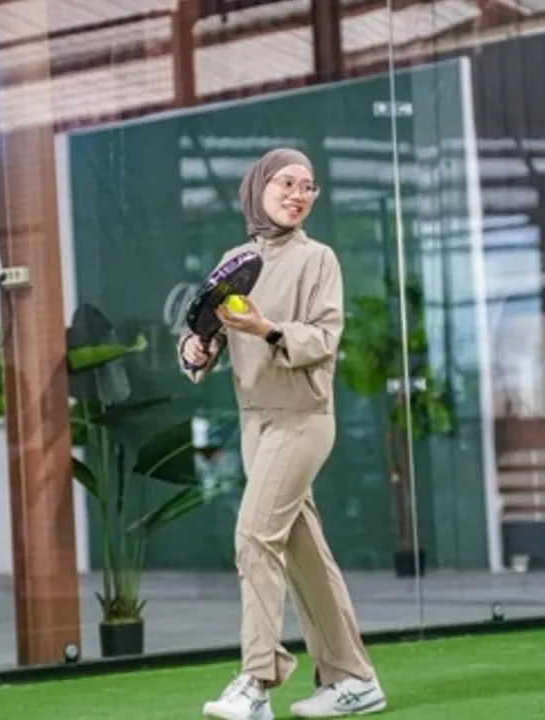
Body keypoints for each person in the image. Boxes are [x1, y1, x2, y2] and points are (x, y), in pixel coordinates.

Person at [177, 147, 387, 720]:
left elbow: (324, 339)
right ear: (258, 188)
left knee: (253, 537)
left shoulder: (319, 260)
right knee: (304, 556)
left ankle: (255, 681)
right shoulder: (235, 260)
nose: (298, 194)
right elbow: (206, 331)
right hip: (256, 422)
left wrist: (266, 328)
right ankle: (354, 679)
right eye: (287, 183)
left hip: (302, 419)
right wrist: (196, 349)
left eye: (307, 186)